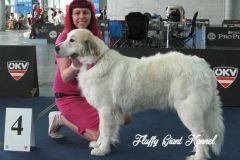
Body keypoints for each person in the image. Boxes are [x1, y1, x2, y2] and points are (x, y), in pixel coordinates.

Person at [48, 0, 130, 142]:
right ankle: (59, 119)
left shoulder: (95, 37)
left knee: (125, 117)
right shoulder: (64, 39)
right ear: (71, 16)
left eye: (85, 12)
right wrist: (75, 66)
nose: (81, 16)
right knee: (98, 137)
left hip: (92, 92)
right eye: (77, 13)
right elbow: (65, 78)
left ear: (91, 15)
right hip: (69, 94)